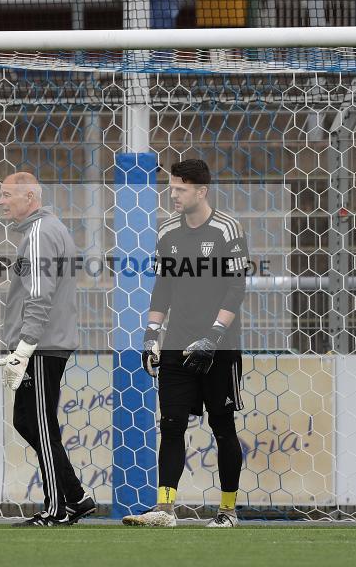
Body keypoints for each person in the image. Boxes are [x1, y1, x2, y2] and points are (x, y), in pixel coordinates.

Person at [122, 159, 249, 528]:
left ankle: (227, 511)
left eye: (180, 188)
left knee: (223, 427)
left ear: (201, 191)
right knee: (172, 424)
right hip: (177, 342)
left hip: (219, 346)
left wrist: (213, 335)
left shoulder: (228, 229)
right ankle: (165, 508)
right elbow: (163, 288)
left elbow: (236, 287)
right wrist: (151, 336)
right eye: (171, 187)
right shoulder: (168, 230)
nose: (172, 194)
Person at [0, 171, 95, 526]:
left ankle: (56, 509)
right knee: (28, 420)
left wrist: (23, 348)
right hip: (44, 344)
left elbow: (39, 297)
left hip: (41, 346)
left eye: (8, 195)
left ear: (29, 198)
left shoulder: (40, 234)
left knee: (37, 421)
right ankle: (77, 497)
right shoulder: (48, 230)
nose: (1, 201)